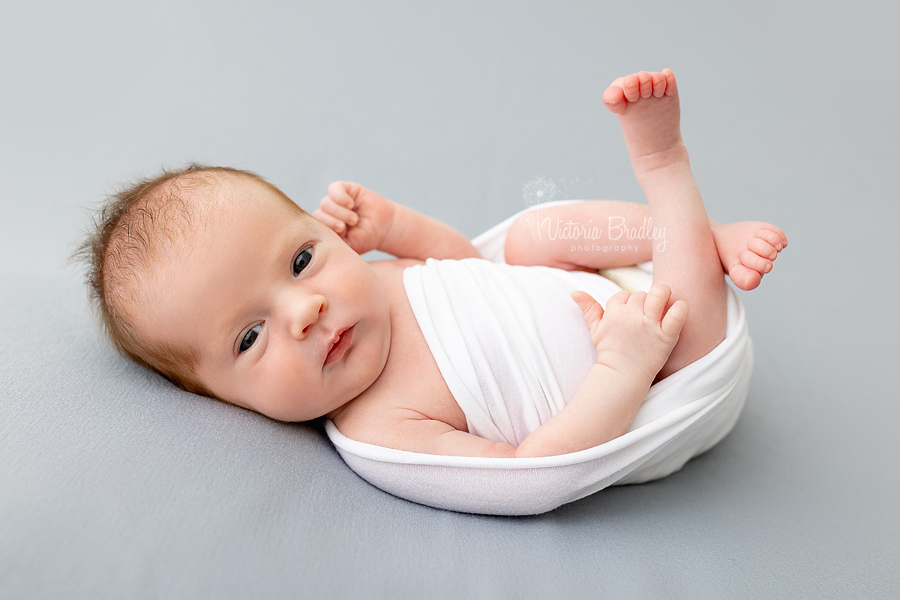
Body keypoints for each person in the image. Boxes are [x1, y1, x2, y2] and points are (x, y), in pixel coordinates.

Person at [78, 69, 786, 459]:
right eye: (248, 337)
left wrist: (396, 227)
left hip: (598, 289)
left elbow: (466, 266)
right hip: (665, 379)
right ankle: (666, 172)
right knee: (691, 327)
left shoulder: (379, 282)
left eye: (300, 259)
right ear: (219, 401)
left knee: (530, 236)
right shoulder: (380, 430)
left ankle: (694, 233)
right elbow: (532, 470)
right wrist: (625, 366)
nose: (304, 312)